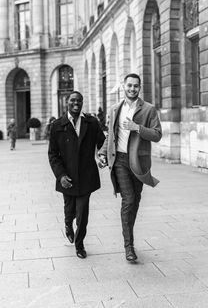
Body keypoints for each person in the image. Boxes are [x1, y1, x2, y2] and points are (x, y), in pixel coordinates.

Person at [98, 73, 162, 262]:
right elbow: (110, 135)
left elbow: (157, 135)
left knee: (135, 200)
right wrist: (103, 153)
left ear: (139, 88)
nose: (132, 89)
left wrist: (137, 128)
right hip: (119, 161)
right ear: (123, 86)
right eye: (129, 85)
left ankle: (129, 236)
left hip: (138, 162)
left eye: (136, 86)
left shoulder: (149, 110)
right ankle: (129, 246)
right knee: (129, 199)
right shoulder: (114, 109)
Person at [48, 91, 105, 258]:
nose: (76, 103)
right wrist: (61, 175)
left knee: (82, 213)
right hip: (67, 177)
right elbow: (53, 154)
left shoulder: (92, 122)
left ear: (82, 103)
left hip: (86, 176)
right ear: (67, 102)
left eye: (79, 101)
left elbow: (102, 142)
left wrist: (102, 156)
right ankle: (67, 225)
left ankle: (79, 245)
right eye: (73, 100)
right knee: (70, 210)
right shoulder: (57, 125)